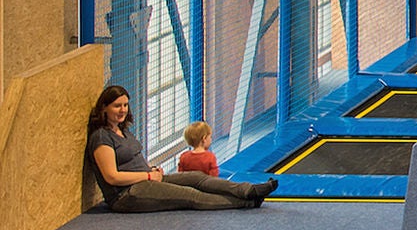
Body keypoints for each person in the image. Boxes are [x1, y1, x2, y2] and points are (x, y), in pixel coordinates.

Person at [84, 86, 275, 212]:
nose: (123, 110)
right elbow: (112, 176)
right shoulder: (102, 137)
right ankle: (247, 202)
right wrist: (148, 176)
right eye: (117, 106)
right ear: (104, 109)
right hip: (126, 194)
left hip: (146, 178)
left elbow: (132, 161)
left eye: (125, 105)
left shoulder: (122, 131)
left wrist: (150, 169)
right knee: (189, 196)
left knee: (196, 178)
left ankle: (247, 190)